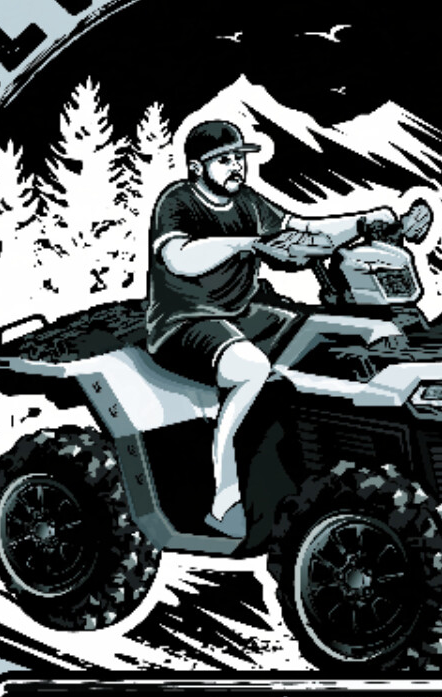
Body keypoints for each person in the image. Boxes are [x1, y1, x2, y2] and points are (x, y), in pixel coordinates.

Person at [146, 119, 389, 540]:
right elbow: (179, 257)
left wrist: (363, 223)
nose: (236, 166)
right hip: (185, 320)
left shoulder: (248, 203)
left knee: (322, 334)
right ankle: (224, 499)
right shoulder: (177, 201)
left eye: (239, 158)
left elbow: (303, 228)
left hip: (242, 311)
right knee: (249, 368)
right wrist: (245, 243)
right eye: (224, 160)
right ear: (195, 167)